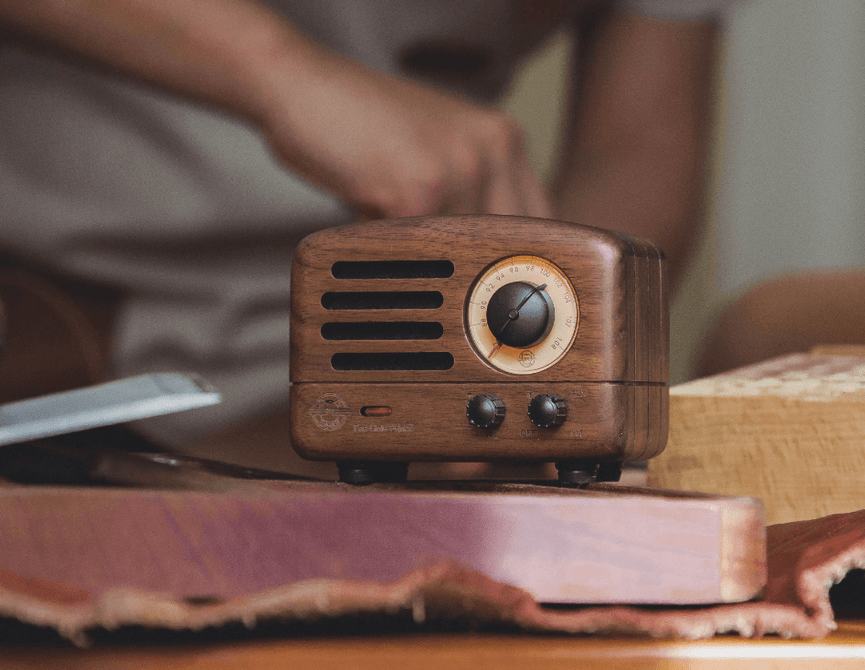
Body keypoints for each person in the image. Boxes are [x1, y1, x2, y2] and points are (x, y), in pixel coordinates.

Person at [0, 0, 733, 472]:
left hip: (355, 376)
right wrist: (282, 74)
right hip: (47, 317)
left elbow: (635, 152)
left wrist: (543, 378)